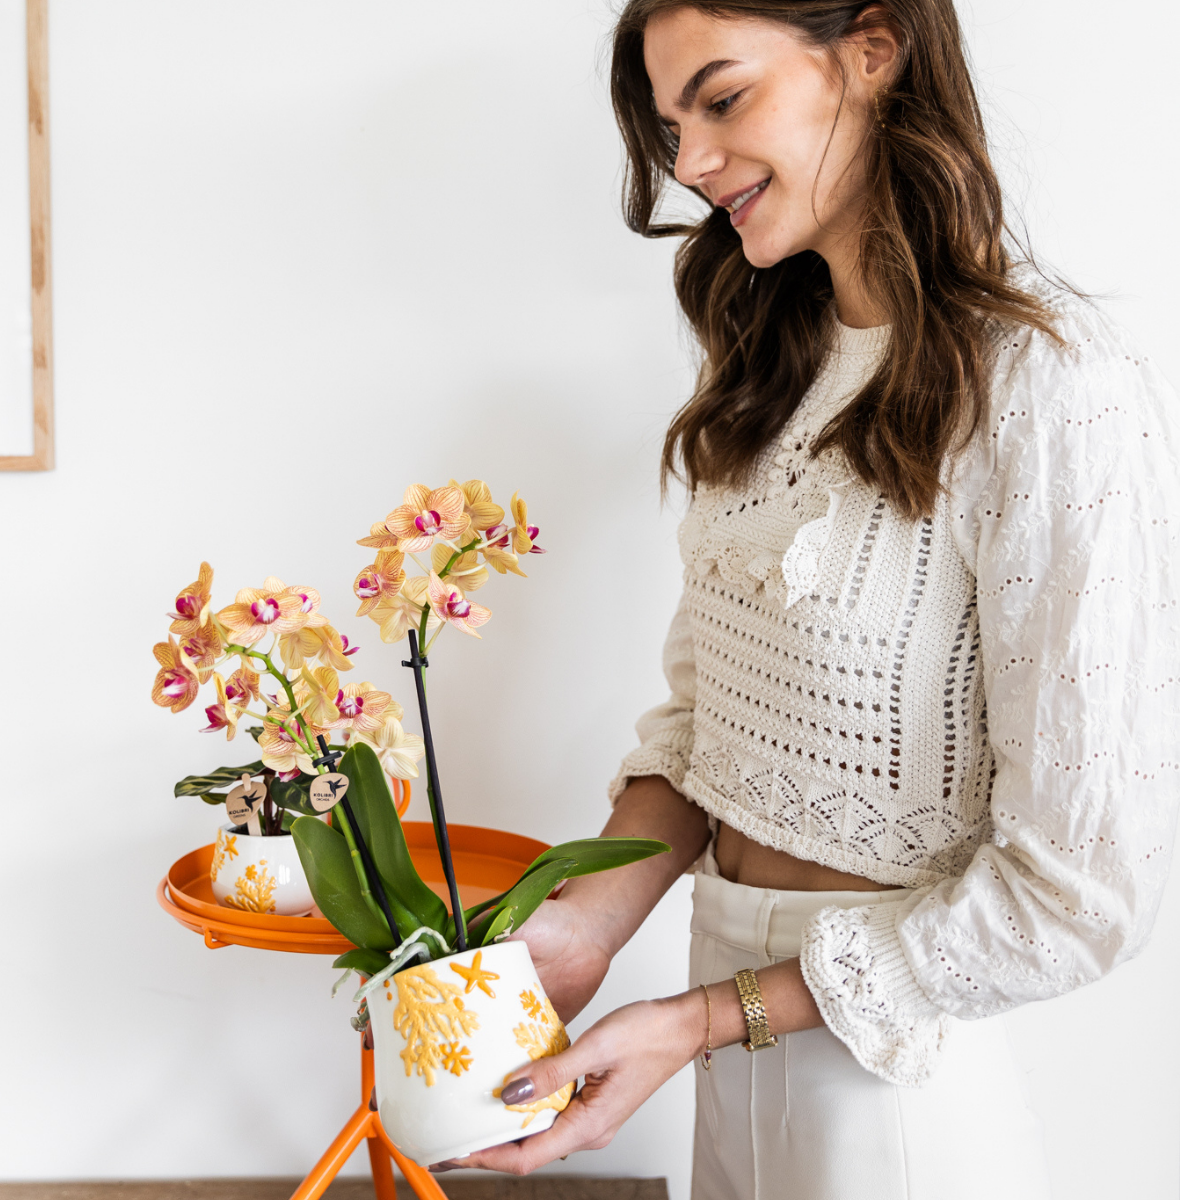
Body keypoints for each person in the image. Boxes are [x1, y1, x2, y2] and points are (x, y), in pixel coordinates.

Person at [432, 2, 1180, 1195]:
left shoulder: (1053, 393)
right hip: (726, 1034)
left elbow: (1082, 896)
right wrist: (578, 932)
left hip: (890, 1088)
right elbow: (703, 737)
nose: (691, 164)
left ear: (874, 52)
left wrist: (703, 1019)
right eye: (672, 125)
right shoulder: (772, 370)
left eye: (722, 100)